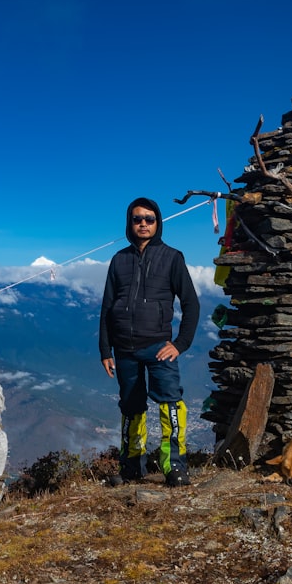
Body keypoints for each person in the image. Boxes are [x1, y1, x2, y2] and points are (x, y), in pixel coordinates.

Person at [99, 197, 200, 487]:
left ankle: (174, 467)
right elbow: (107, 307)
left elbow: (191, 304)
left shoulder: (172, 257)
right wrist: (106, 349)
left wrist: (180, 343)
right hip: (124, 348)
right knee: (130, 406)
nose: (143, 223)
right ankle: (131, 467)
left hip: (159, 347)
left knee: (170, 403)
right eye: (137, 219)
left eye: (149, 218)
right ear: (129, 223)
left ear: (158, 223)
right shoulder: (119, 260)